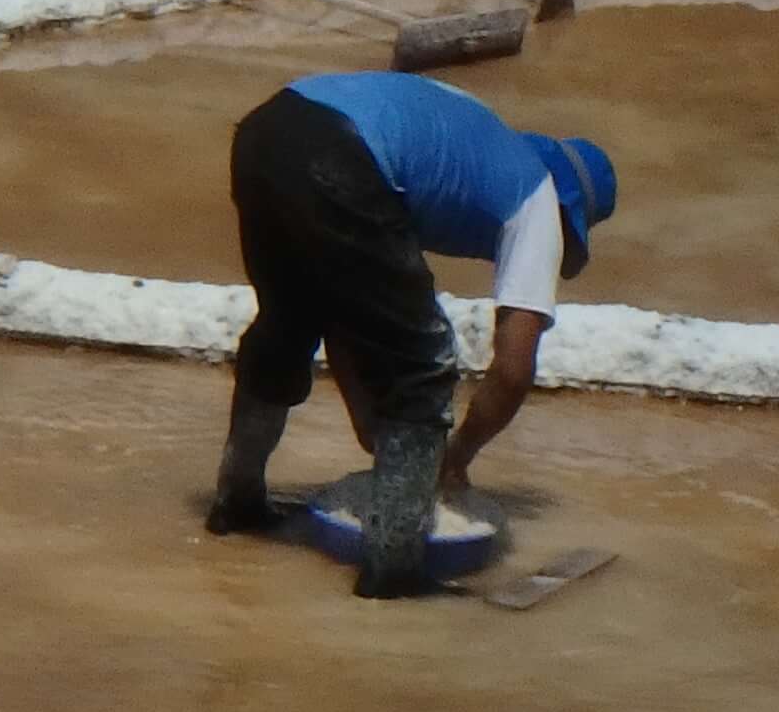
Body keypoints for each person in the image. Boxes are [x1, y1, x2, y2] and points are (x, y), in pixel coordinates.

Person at [204, 69, 619, 598]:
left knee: (290, 320)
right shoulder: (538, 199)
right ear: (570, 211)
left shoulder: (466, 137)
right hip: (342, 154)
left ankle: (237, 502)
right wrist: (456, 455)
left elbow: (343, 312)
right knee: (424, 364)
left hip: (264, 135)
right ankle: (395, 569)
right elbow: (513, 371)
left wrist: (376, 433)